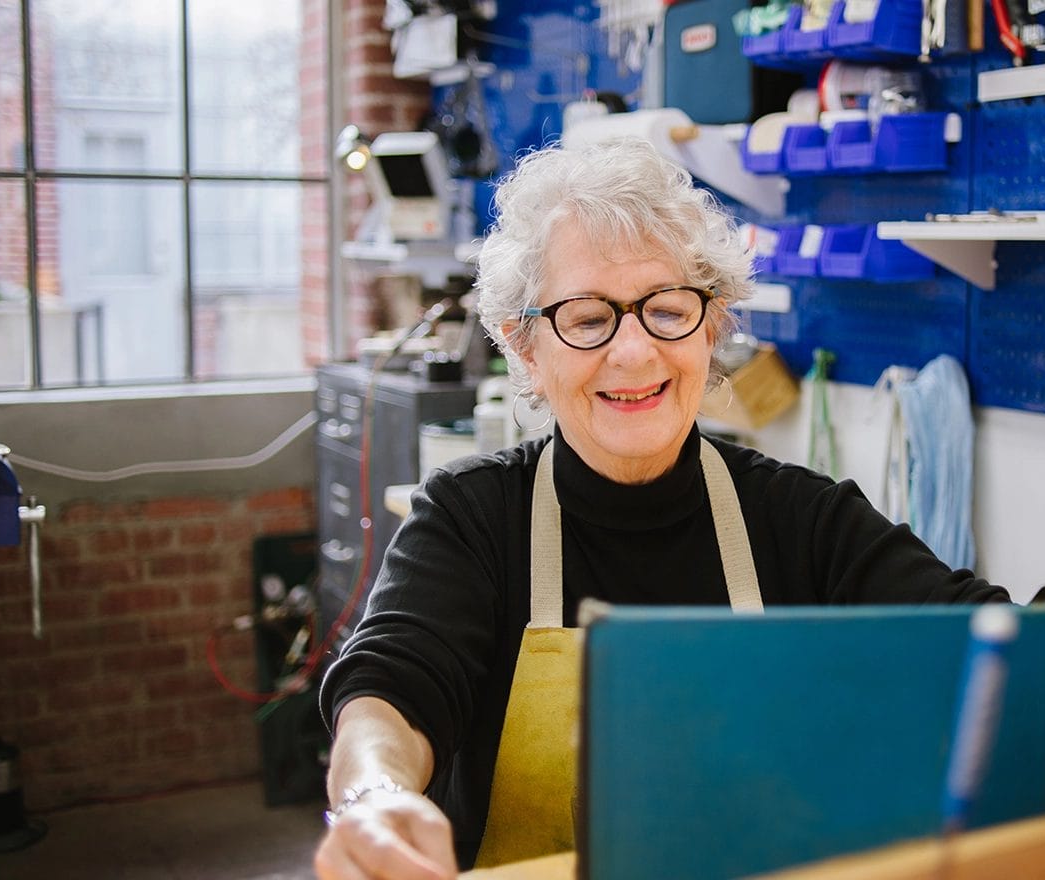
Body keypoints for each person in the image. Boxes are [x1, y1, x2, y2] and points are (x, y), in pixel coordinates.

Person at [314, 137, 1008, 880]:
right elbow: (389, 692)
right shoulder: (473, 517)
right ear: (524, 349)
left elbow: (986, 645)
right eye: (586, 319)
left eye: (668, 310)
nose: (636, 353)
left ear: (712, 327)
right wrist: (376, 794)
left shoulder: (802, 519)